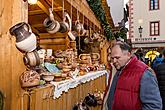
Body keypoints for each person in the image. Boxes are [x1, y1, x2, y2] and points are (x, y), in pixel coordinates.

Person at [103, 41, 162, 110]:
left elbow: (154, 106)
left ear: (128, 55)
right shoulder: (117, 69)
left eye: (117, 57)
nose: (114, 61)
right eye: (112, 58)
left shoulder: (144, 73)